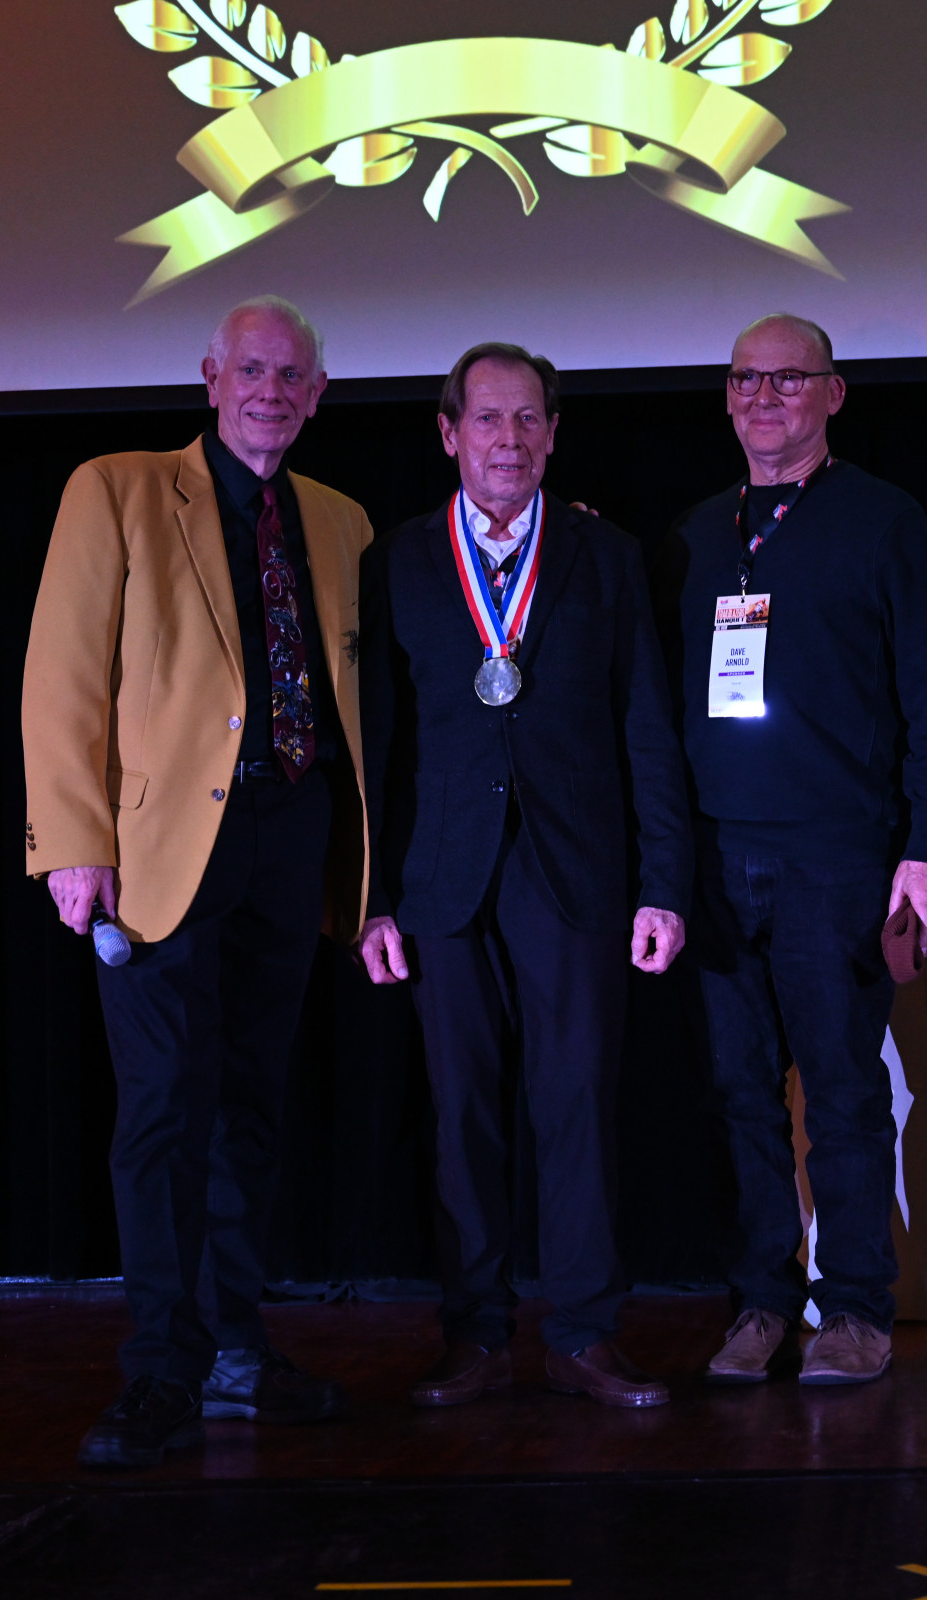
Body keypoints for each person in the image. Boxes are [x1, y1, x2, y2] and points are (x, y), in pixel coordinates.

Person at [22, 295, 370, 1468]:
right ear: (210, 379)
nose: (272, 391)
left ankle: (234, 1349)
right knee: (164, 1111)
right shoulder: (116, 487)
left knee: (251, 1113)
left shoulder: (341, 518)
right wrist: (72, 839)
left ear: (318, 396)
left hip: (289, 845)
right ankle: (161, 1369)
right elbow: (63, 675)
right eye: (251, 370)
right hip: (159, 855)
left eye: (293, 376)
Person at [356, 343, 690, 1409]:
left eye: (528, 420)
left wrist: (664, 883)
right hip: (441, 881)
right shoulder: (397, 559)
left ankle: (587, 1329)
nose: (509, 440)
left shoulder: (607, 556)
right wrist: (371, 897)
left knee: (579, 1100)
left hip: (576, 872)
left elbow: (648, 730)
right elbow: (377, 744)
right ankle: (477, 1333)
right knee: (461, 1112)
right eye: (488, 421)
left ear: (553, 433)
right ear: (450, 434)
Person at [669, 314, 927, 1386]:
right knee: (741, 1093)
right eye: (746, 378)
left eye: (789, 380)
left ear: (832, 395)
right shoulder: (703, 531)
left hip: (836, 857)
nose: (765, 397)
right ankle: (761, 1302)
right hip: (716, 858)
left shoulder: (885, 523)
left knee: (842, 1092)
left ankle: (854, 1308)